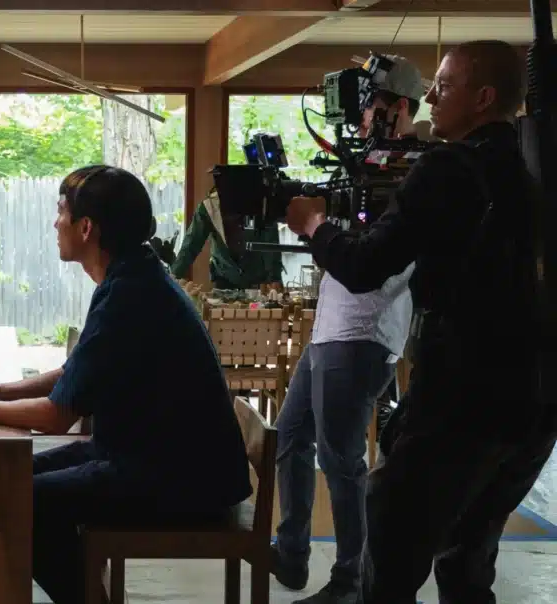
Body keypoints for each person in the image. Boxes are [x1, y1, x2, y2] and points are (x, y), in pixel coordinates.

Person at [285, 40, 554, 604]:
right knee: (467, 559)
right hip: (533, 399)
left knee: (392, 545)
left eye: (444, 85)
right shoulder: (528, 166)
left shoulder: (450, 166)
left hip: (464, 389)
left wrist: (314, 226)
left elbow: (362, 266)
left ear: (482, 98)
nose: (431, 96)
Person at [0, 165, 253, 604]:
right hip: (153, 456)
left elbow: (56, 416)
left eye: (61, 212)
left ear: (87, 227)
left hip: (182, 480)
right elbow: (71, 375)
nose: (55, 223)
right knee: (7, 474)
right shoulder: (133, 276)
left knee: (25, 499)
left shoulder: (130, 293)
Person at [271, 55, 422, 604]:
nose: (361, 123)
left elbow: (373, 265)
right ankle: (290, 554)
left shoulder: (410, 173)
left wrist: (318, 225)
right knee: (289, 439)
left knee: (340, 459)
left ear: (400, 107)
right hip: (329, 332)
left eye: (371, 109)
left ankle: (350, 581)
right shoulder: (366, 169)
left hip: (364, 334)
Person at [170, 188, 283, 289]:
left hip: (257, 278)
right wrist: (174, 277)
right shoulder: (209, 207)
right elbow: (191, 244)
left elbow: (271, 243)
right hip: (224, 277)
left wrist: (275, 278)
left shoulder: (262, 205)